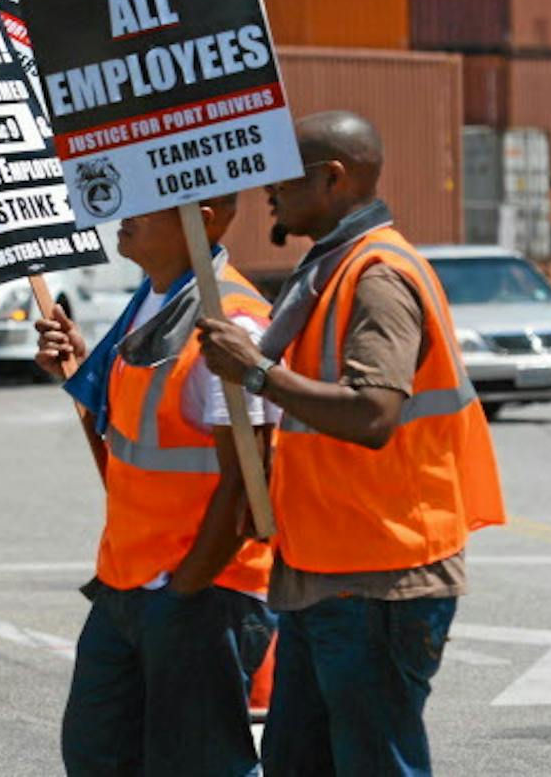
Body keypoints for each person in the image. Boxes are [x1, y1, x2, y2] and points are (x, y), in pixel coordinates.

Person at [197, 111, 505, 776]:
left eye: (283, 177)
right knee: (295, 762)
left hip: (379, 580)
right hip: (327, 573)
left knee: (373, 762)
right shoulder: (329, 272)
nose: (268, 193)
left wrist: (255, 372)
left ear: (333, 178)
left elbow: (372, 413)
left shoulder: (376, 276)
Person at [34, 196, 277, 776]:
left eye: (150, 200)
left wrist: (184, 591)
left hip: (201, 592)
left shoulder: (234, 323)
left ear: (205, 218)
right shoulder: (149, 305)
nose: (128, 208)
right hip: (128, 584)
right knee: (97, 756)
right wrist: (75, 368)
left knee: (201, 764)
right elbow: (126, 444)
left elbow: (248, 481)